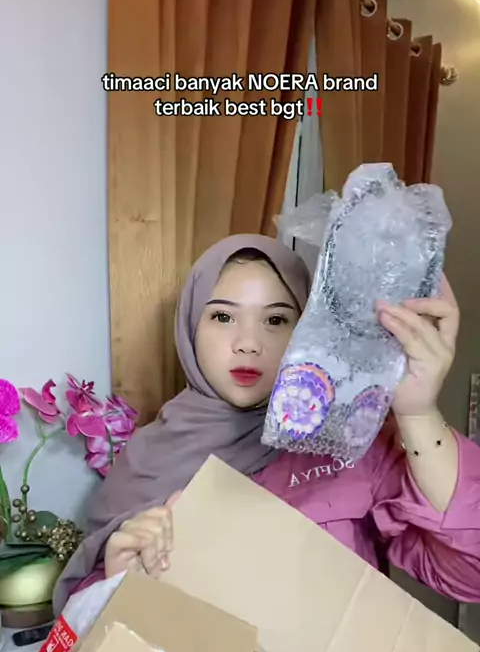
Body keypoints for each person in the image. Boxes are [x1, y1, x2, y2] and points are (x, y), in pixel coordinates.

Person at [53, 234, 480, 614]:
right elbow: (75, 644)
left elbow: (470, 573)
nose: (248, 343)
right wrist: (118, 586)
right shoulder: (144, 459)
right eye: (223, 317)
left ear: (306, 332)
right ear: (190, 326)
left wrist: (417, 413)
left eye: (276, 320)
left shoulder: (351, 444)